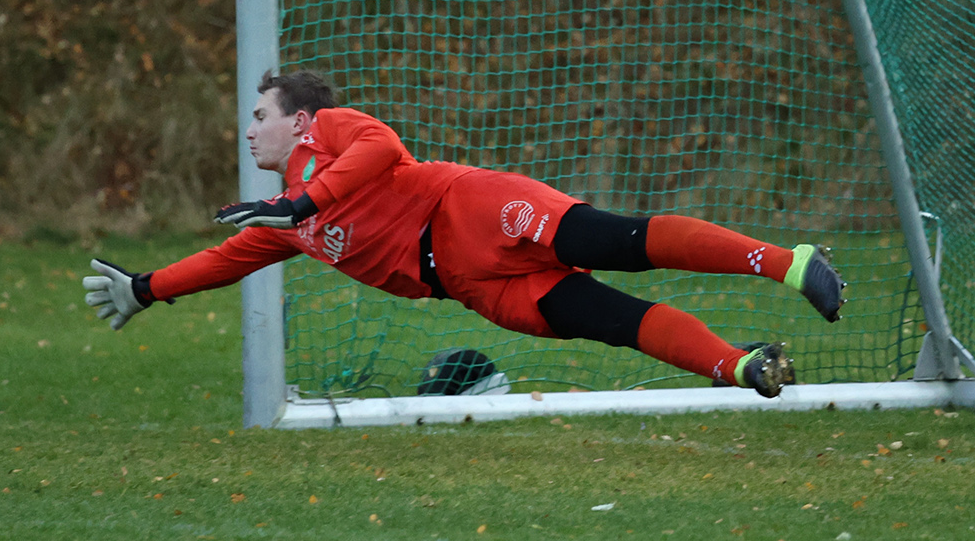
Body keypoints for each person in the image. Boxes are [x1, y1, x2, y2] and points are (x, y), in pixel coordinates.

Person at [83, 69, 846, 397]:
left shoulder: (333, 134)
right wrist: (145, 288)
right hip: (467, 284)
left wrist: (303, 203)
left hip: (471, 209)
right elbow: (224, 261)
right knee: (609, 320)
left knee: (618, 241)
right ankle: (739, 366)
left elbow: (383, 147)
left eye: (259, 116)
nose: (249, 130)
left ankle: (789, 262)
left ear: (301, 120)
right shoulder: (287, 218)